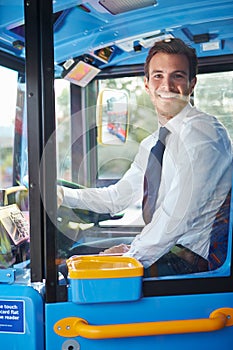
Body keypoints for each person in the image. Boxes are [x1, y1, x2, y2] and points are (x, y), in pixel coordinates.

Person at [57, 38, 232, 276]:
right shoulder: (153, 143)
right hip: (171, 248)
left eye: (177, 76)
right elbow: (116, 198)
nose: (167, 86)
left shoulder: (202, 132)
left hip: (194, 259)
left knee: (72, 275)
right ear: (147, 85)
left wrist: (129, 258)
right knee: (73, 259)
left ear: (192, 84)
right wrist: (61, 195)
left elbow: (177, 215)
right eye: (158, 76)